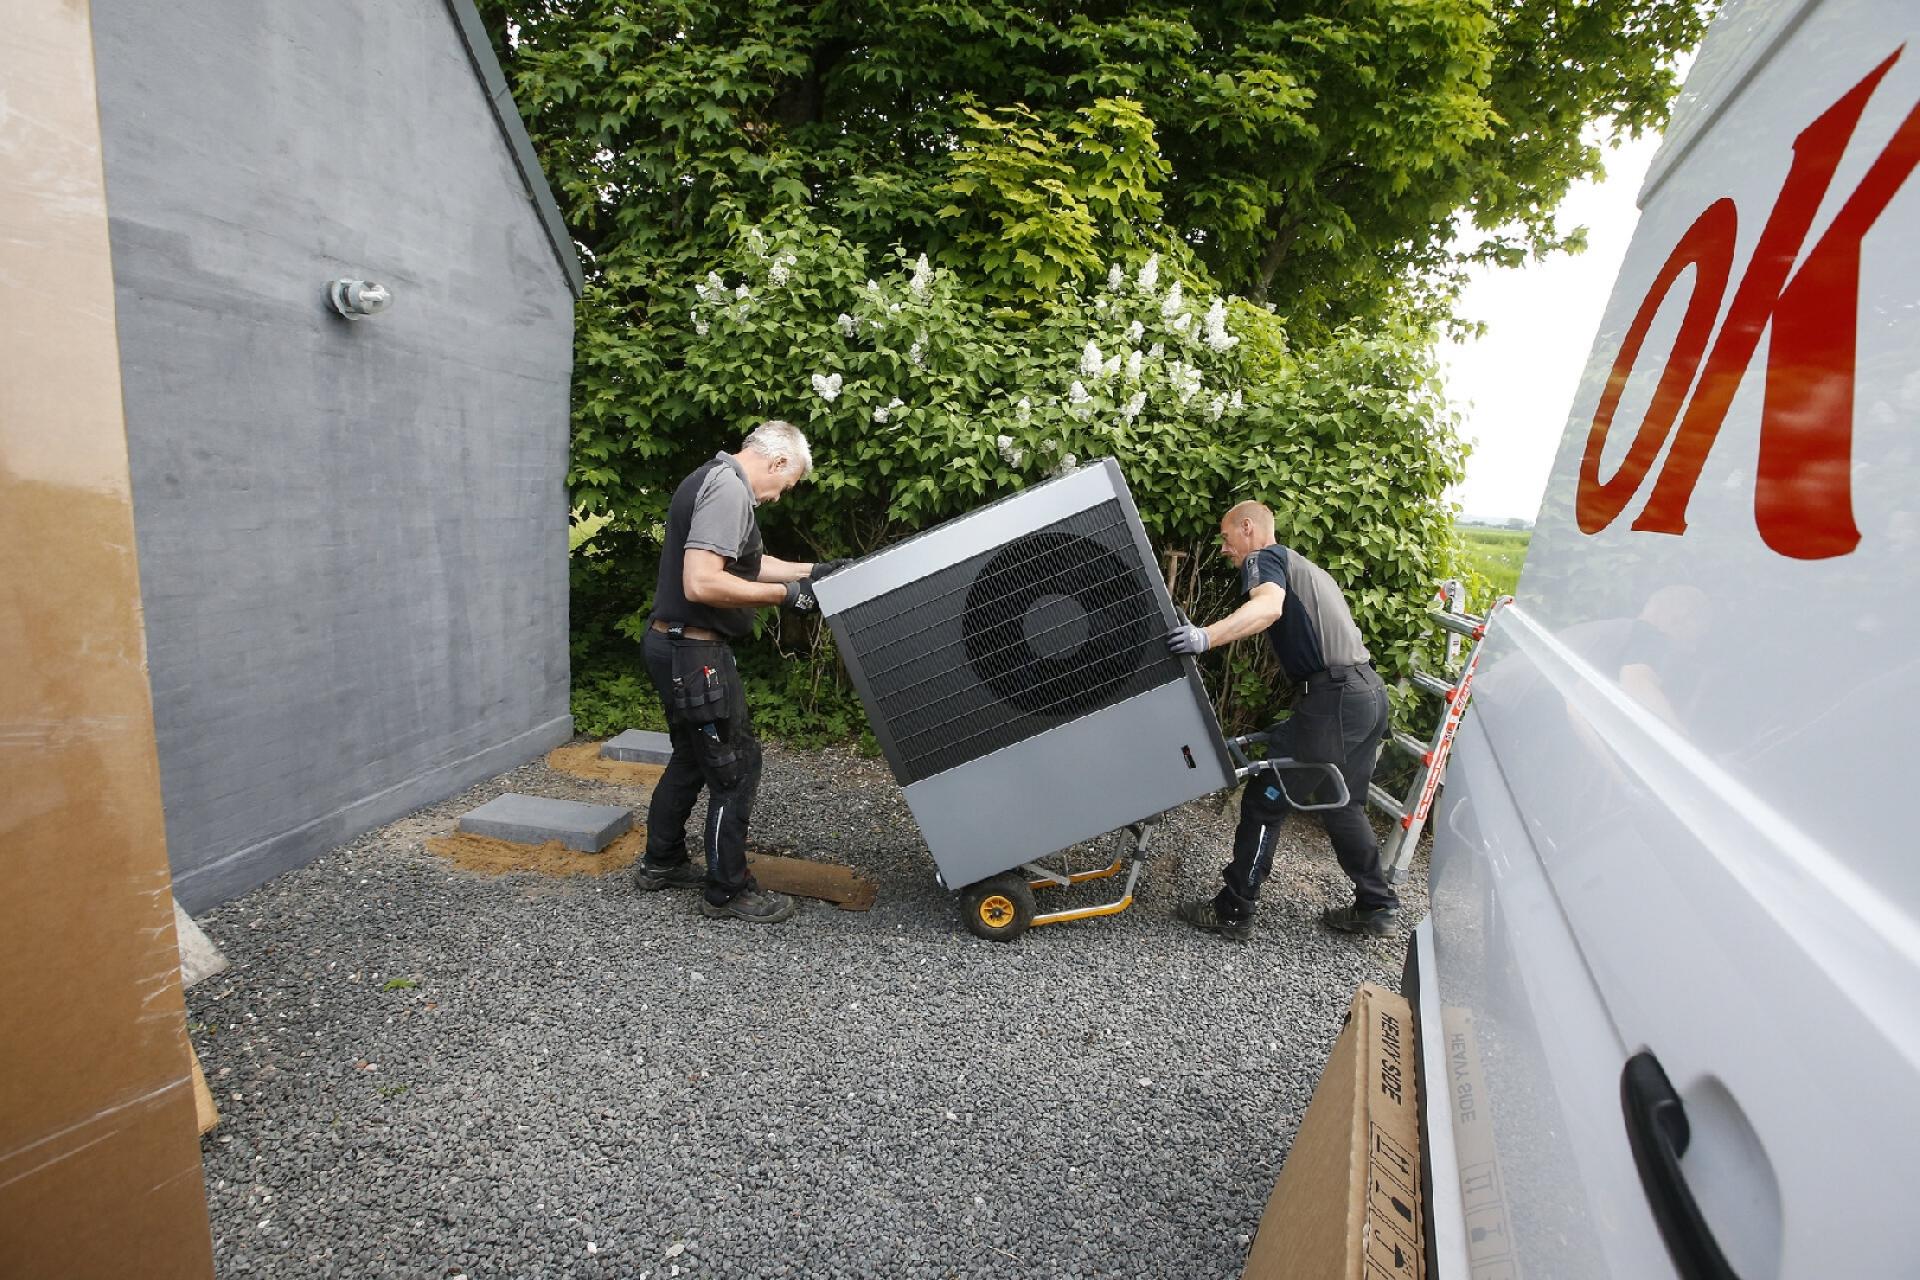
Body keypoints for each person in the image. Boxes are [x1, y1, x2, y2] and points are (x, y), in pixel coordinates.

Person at [630, 421, 845, 924]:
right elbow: (704, 582)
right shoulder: (730, 490)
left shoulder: (713, 476)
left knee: (690, 756)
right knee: (735, 766)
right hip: (696, 654)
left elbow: (749, 564)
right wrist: (788, 597)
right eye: (785, 485)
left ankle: (661, 862)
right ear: (776, 463)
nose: (777, 497)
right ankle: (727, 891)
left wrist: (812, 573)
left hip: (672, 644)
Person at [1167, 500, 1398, 939]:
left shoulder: (1265, 558)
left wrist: (1204, 637)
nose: (1224, 548)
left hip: (1334, 697)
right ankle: (1377, 905)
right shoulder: (1305, 566)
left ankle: (1234, 909)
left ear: (1248, 528)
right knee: (1343, 800)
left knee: (1265, 796)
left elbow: (1268, 608)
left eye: (1225, 537)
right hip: (1367, 693)